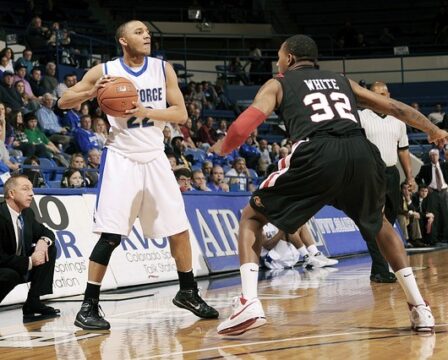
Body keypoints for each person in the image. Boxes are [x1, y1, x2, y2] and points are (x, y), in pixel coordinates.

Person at [211, 34, 446, 335]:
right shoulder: (341, 80)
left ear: (290, 59)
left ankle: (248, 301)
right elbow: (393, 107)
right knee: (381, 223)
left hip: (317, 151)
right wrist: (432, 128)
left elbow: (244, 126)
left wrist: (224, 147)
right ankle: (419, 308)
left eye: (280, 57)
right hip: (361, 151)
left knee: (253, 215)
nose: (279, 62)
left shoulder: (278, 83)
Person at [58, 20, 218, 330]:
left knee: (179, 228)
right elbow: (64, 101)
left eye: (147, 32)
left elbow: (181, 114)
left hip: (156, 157)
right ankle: (88, 306)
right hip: (122, 159)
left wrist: (146, 111)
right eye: (138, 32)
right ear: (123, 40)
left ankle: (187, 291)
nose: (146, 36)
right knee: (111, 234)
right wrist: (92, 91)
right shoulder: (105, 69)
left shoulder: (162, 69)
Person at [359, 81, 415, 283]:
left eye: (383, 94)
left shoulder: (398, 119)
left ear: (389, 94)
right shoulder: (362, 117)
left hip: (392, 173)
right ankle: (382, 270)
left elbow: (404, 150)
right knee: (376, 221)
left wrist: (409, 177)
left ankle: (377, 269)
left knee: (389, 221)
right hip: (371, 172)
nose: (381, 97)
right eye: (376, 94)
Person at [0, 175, 59, 318]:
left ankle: (33, 301)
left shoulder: (27, 214)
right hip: (4, 267)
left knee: (49, 249)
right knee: (10, 275)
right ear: (11, 194)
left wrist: (43, 241)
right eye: (25, 189)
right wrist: (30, 262)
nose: (32, 193)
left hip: (17, 264)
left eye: (32, 189)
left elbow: (47, 232)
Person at [262, 223, 338, 270]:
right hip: (273, 261)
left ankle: (316, 254)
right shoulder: (259, 225)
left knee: (299, 222)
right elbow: (267, 246)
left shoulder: (276, 219)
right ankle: (307, 257)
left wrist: (283, 229)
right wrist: (282, 230)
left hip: (287, 256)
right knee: (289, 226)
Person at [416, 148, 448, 244]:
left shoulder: (445, 165)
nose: (434, 157)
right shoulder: (425, 167)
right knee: (434, 215)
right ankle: (435, 238)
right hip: (432, 192)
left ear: (439, 156)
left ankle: (445, 237)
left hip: (445, 191)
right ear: (430, 157)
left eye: (436, 155)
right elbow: (417, 178)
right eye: (432, 155)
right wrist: (425, 187)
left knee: (445, 214)